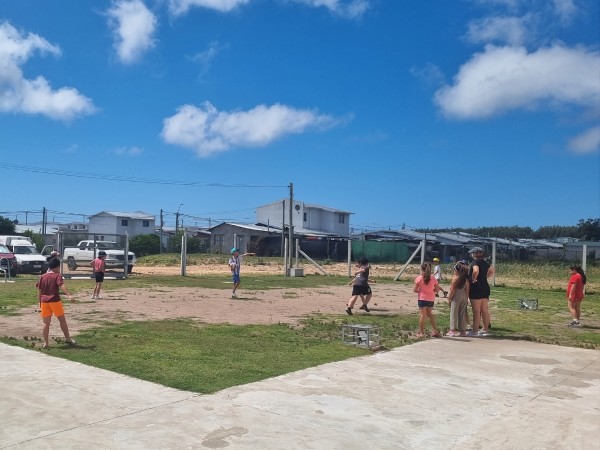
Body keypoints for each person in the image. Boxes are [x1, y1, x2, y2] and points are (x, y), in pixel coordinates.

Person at [36, 258, 76, 349]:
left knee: (46, 323)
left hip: (44, 302)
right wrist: (69, 295)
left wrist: (39, 303)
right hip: (55, 301)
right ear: (58, 266)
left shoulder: (42, 276)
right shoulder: (57, 275)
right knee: (62, 320)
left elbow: (39, 290)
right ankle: (68, 339)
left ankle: (46, 343)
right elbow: (61, 285)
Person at [468, 247, 494, 336]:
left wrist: (473, 279)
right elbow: (492, 271)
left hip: (476, 288)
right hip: (485, 287)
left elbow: (476, 270)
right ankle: (485, 329)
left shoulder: (475, 262)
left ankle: (474, 331)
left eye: (472, 253)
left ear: (475, 254)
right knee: (484, 310)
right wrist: (485, 277)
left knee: (476, 310)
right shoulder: (485, 263)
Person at [413, 262, 441, 338]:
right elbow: (437, 289)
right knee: (429, 314)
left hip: (422, 298)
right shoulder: (433, 278)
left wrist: (420, 291)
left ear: (422, 269)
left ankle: (421, 333)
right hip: (431, 298)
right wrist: (432, 291)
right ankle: (435, 331)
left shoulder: (419, 278)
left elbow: (415, 290)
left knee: (422, 315)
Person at [446, 261, 470, 337]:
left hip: (456, 296)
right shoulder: (465, 279)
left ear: (457, 270)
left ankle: (452, 330)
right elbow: (467, 290)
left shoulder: (455, 278)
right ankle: (463, 331)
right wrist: (467, 298)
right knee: (462, 313)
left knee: (454, 312)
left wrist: (449, 299)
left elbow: (452, 290)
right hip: (464, 295)